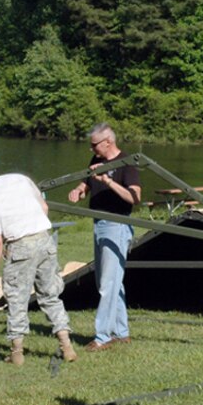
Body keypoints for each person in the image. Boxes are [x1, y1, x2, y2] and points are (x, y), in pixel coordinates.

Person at [0, 155, 78, 365]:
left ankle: (16, 353)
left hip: (20, 246)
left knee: (17, 299)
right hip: (44, 239)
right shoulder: (20, 179)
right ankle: (67, 346)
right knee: (50, 295)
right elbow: (44, 208)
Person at [67, 123, 142, 351]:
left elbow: (135, 197)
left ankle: (102, 337)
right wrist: (79, 190)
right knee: (108, 281)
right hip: (99, 224)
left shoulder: (126, 163)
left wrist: (108, 181)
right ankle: (121, 332)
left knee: (108, 283)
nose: (92, 150)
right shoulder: (96, 161)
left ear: (108, 141)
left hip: (117, 225)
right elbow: (87, 181)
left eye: (94, 145)